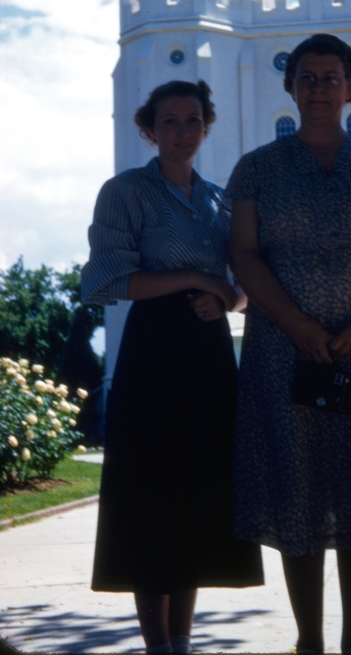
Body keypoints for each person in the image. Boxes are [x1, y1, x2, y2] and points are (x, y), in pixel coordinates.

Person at [226, 34, 351, 655]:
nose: (318, 88)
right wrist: (297, 325)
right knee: (297, 490)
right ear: (291, 87)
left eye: (331, 77)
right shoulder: (256, 167)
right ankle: (309, 639)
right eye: (307, 77)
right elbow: (244, 255)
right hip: (284, 353)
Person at [81, 80, 263, 655]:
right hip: (154, 353)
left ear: (206, 126)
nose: (181, 132)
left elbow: (247, 286)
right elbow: (104, 281)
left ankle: (182, 643)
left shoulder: (219, 200)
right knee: (151, 492)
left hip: (208, 353)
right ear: (148, 128)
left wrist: (226, 299)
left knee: (197, 491)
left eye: (192, 121)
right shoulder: (126, 192)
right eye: (169, 122)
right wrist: (192, 278)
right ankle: (157, 645)